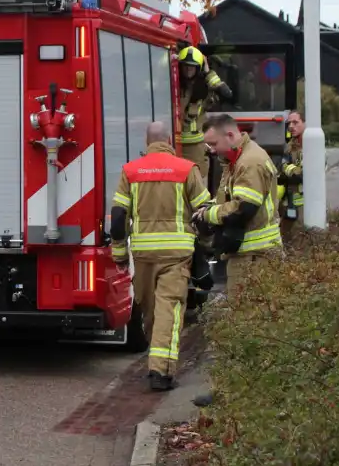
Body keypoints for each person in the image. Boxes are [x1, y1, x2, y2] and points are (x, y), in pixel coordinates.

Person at [110, 121, 211, 391]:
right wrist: (205, 245)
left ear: (147, 142)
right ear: (168, 141)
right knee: (170, 309)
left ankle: (157, 364)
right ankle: (161, 371)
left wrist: (119, 254)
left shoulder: (130, 171)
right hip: (176, 255)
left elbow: (118, 218)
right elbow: (204, 212)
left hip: (143, 254)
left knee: (151, 312)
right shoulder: (186, 169)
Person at [193, 114, 283, 298]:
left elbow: (244, 207)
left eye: (214, 144)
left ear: (230, 135)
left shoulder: (250, 162)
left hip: (255, 256)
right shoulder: (236, 160)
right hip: (249, 254)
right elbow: (229, 199)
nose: (212, 150)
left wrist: (209, 215)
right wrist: (209, 207)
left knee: (245, 310)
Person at [177, 46, 234, 185]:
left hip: (194, 146)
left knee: (196, 182)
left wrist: (208, 73)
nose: (188, 70)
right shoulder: (175, 84)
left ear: (198, 68)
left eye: (192, 67)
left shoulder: (203, 86)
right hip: (174, 143)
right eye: (185, 66)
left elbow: (227, 94)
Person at [278, 110, 305, 240]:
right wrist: (293, 171)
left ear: (305, 123)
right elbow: (282, 166)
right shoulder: (289, 146)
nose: (291, 126)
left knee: (303, 237)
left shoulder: (313, 146)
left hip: (305, 205)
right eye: (289, 123)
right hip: (288, 201)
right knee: (285, 236)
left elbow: (304, 175)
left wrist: (290, 171)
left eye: (295, 122)